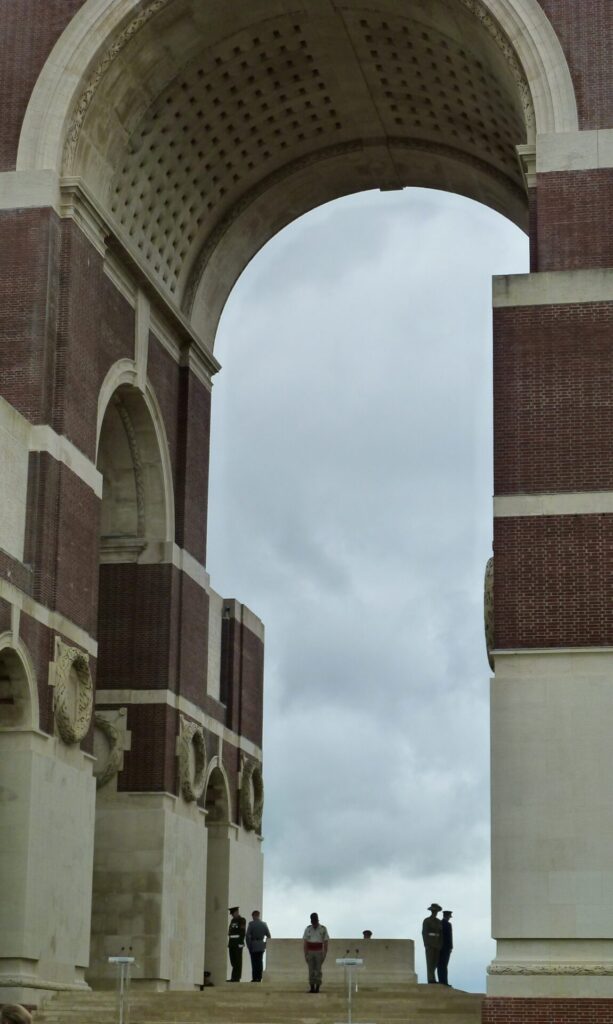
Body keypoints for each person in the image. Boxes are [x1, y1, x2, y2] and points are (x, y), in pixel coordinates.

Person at [302, 911, 329, 993]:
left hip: (318, 951)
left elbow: (326, 942)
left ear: (317, 920)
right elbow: (305, 942)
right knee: (311, 970)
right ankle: (312, 987)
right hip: (310, 951)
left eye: (315, 921)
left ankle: (317, 987)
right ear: (311, 921)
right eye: (313, 921)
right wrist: (305, 954)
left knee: (318, 970)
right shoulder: (308, 929)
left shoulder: (323, 929)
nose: (314, 923)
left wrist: (324, 954)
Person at [245, 909, 271, 982]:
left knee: (254, 962)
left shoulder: (251, 924)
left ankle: (254, 978)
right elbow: (269, 936)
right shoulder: (264, 924)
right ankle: (259, 978)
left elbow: (247, 936)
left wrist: (249, 945)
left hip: (253, 945)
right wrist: (265, 944)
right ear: (259, 915)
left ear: (254, 916)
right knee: (260, 962)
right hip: (261, 945)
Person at [422, 902, 443, 984]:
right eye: (434, 911)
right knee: (430, 961)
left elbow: (441, 934)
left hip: (437, 943)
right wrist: (426, 944)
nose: (435, 912)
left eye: (436, 911)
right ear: (431, 911)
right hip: (430, 943)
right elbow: (424, 933)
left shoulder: (439, 921)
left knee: (435, 962)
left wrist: (441, 944)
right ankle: (431, 979)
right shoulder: (427, 920)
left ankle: (433, 977)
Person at [227, 905, 246, 982]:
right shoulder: (232, 921)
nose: (232, 915)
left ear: (237, 912)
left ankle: (236, 978)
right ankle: (233, 977)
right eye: (231, 914)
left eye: (233, 913)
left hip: (238, 943)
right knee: (233, 961)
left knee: (238, 961)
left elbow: (242, 932)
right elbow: (230, 932)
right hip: (231, 944)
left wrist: (241, 943)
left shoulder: (242, 920)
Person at [437, 910, 453, 986]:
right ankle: (444, 982)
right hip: (445, 948)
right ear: (447, 916)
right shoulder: (448, 924)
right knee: (443, 965)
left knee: (440, 964)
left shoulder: (439, 923)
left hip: (440, 947)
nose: (450, 917)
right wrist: (450, 947)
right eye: (449, 916)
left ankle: (442, 980)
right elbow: (449, 937)